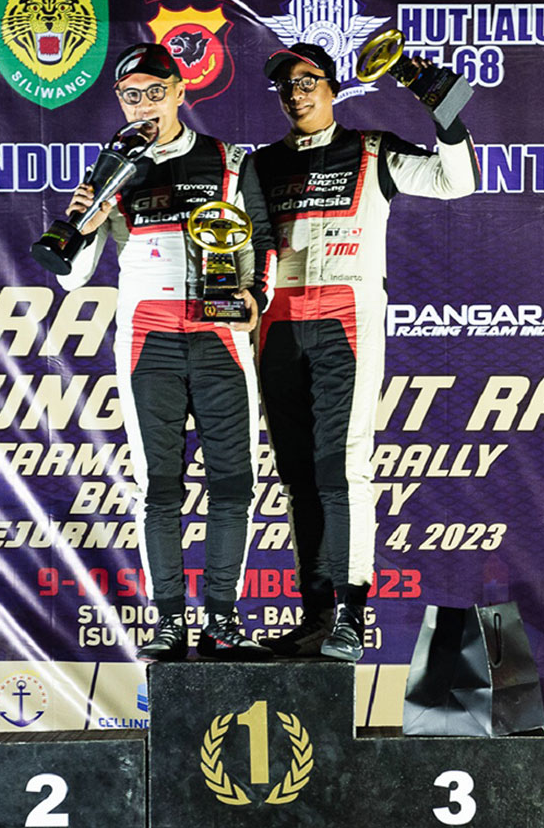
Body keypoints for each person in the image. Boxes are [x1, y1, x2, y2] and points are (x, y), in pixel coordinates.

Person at [251, 42, 478, 661]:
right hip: (275, 327)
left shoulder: (372, 149)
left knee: (342, 467)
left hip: (346, 323)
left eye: (307, 81)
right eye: (285, 86)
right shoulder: (262, 164)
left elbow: (456, 181)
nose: (295, 93)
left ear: (332, 88)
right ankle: (316, 618)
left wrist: (444, 114)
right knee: (298, 475)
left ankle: (351, 615)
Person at [55, 42, 276, 661]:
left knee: (234, 482)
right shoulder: (111, 170)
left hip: (220, 337)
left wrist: (257, 296)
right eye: (132, 97)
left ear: (180, 91)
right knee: (159, 487)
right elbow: (72, 278)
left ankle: (222, 617)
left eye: (156, 92)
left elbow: (261, 242)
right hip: (148, 341)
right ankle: (170, 620)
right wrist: (83, 222)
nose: (145, 106)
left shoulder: (230, 160)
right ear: (120, 102)